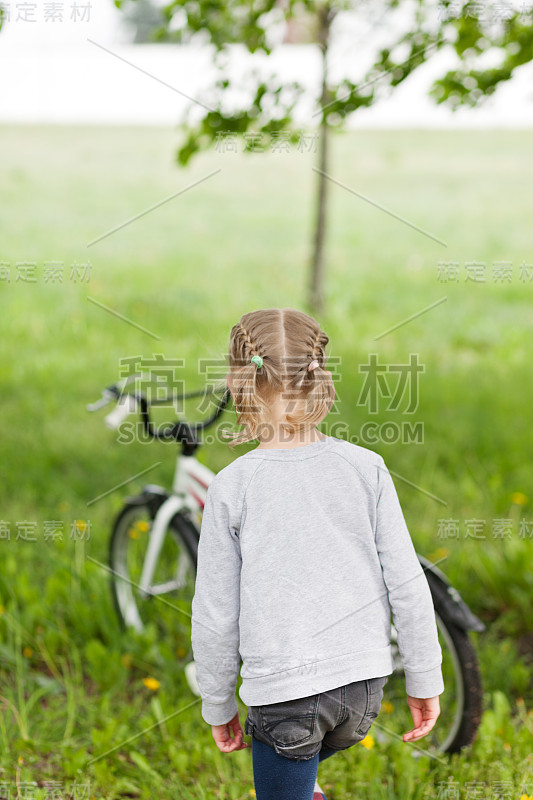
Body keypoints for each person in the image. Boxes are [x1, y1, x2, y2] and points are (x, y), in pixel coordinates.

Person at [191, 307, 444, 800]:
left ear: (239, 383)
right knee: (301, 771)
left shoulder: (234, 486)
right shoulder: (366, 467)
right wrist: (424, 676)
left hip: (286, 696)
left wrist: (218, 703)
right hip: (364, 690)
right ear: (318, 378)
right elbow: (409, 584)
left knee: (287, 767)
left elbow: (215, 614)